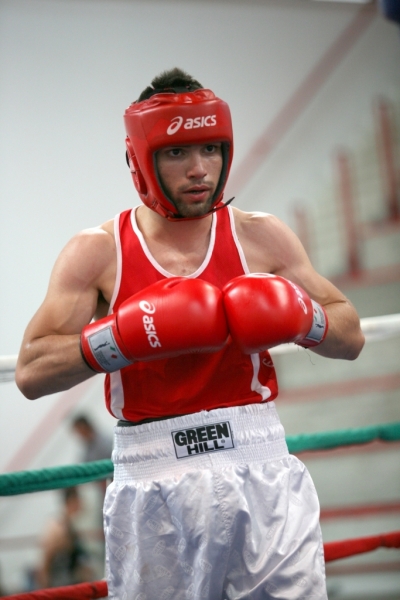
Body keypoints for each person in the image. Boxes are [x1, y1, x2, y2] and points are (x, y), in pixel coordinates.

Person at [16, 67, 365, 599]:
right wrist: (120, 337)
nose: (200, 169)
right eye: (177, 152)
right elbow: (31, 372)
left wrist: (302, 317)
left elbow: (351, 334)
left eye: (210, 149)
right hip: (152, 469)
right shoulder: (98, 251)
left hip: (258, 459)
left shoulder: (260, 236)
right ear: (140, 159)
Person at [35, 487, 93, 589]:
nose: (82, 503)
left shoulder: (70, 525)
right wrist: (45, 589)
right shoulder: (57, 527)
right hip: (60, 586)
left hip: (70, 584)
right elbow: (45, 561)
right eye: (78, 500)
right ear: (71, 501)